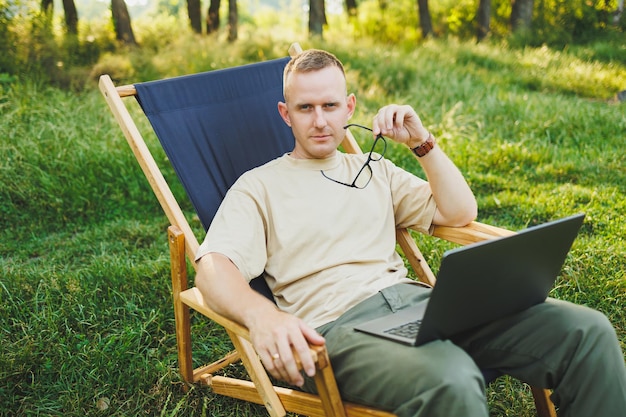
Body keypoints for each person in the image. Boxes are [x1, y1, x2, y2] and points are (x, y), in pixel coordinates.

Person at [195, 49, 626, 416]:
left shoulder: (374, 168)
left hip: (422, 306)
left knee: (585, 331)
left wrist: (422, 143)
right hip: (338, 330)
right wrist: (264, 317)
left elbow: (459, 212)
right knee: (451, 379)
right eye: (305, 109)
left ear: (349, 108)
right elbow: (213, 268)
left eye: (329, 106)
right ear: (285, 114)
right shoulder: (259, 185)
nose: (320, 121)